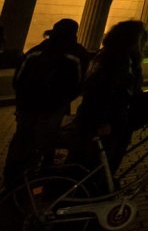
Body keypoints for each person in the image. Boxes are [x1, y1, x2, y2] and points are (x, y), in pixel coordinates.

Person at [4, 19, 91, 188]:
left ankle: (13, 176)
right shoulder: (77, 54)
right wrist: (65, 99)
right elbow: (80, 83)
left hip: (27, 104)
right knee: (47, 140)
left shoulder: (36, 51)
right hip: (54, 106)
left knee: (22, 138)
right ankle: (42, 175)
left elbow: (18, 79)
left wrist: (22, 101)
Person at [73, 20, 148, 174]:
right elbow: (102, 92)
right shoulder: (117, 61)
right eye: (142, 40)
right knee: (100, 164)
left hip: (110, 119)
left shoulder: (109, 56)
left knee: (100, 163)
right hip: (107, 123)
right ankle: (95, 192)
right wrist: (102, 121)